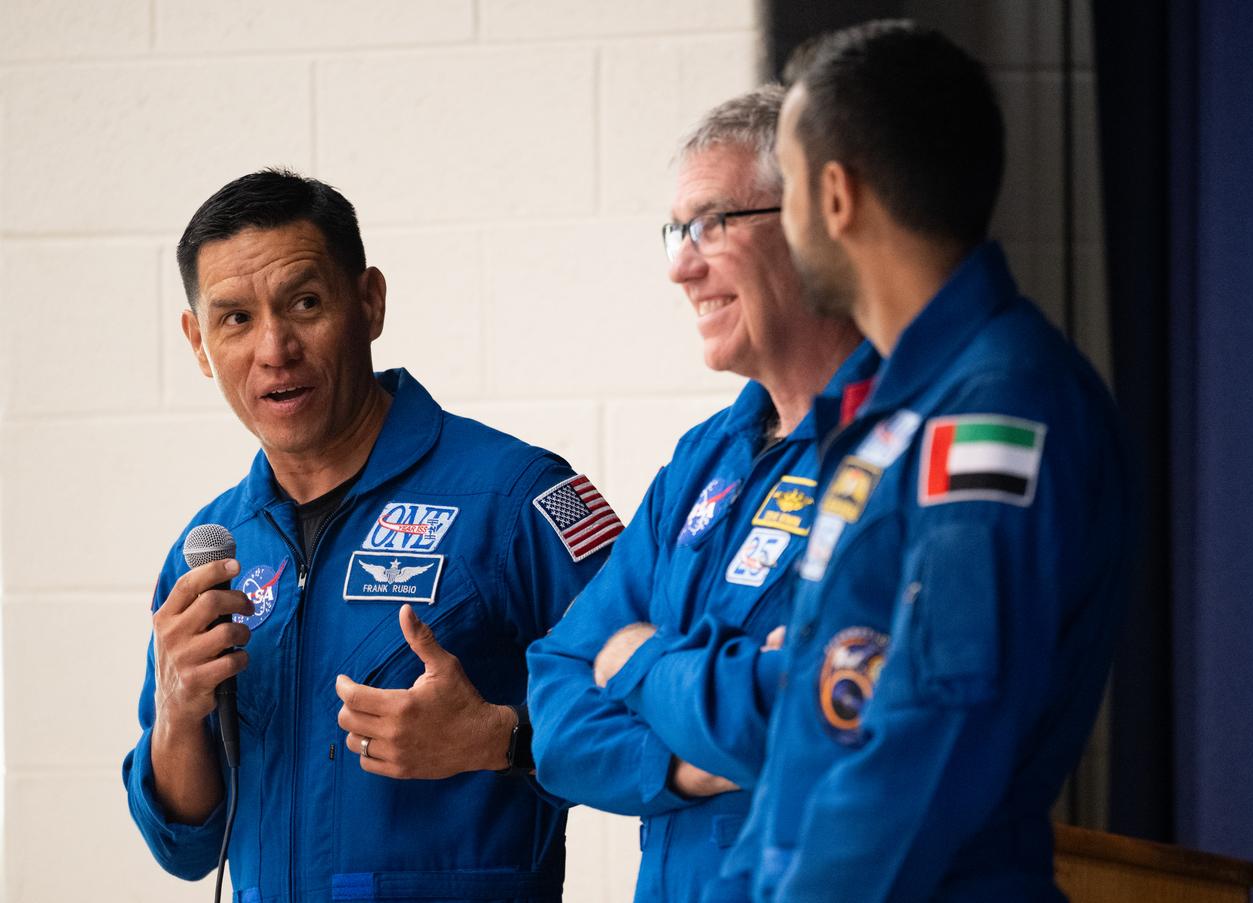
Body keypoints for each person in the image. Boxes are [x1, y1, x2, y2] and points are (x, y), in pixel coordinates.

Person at [597, 21, 1134, 902]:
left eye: (789, 188)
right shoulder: (894, 412)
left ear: (834, 197)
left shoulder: (998, 407)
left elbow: (926, 746)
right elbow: (817, 720)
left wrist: (651, 667)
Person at [122, 170, 619, 902]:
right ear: (199, 343)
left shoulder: (515, 497)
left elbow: (656, 712)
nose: (274, 348)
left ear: (370, 301)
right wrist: (175, 711)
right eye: (236, 319)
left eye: (305, 303)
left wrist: (501, 737)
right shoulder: (213, 550)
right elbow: (185, 845)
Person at [526, 85, 867, 901]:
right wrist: (678, 762)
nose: (681, 266)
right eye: (677, 232)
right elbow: (557, 700)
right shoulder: (703, 458)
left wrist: (639, 658)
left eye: (713, 224)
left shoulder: (892, 441)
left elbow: (808, 713)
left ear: (811, 224)